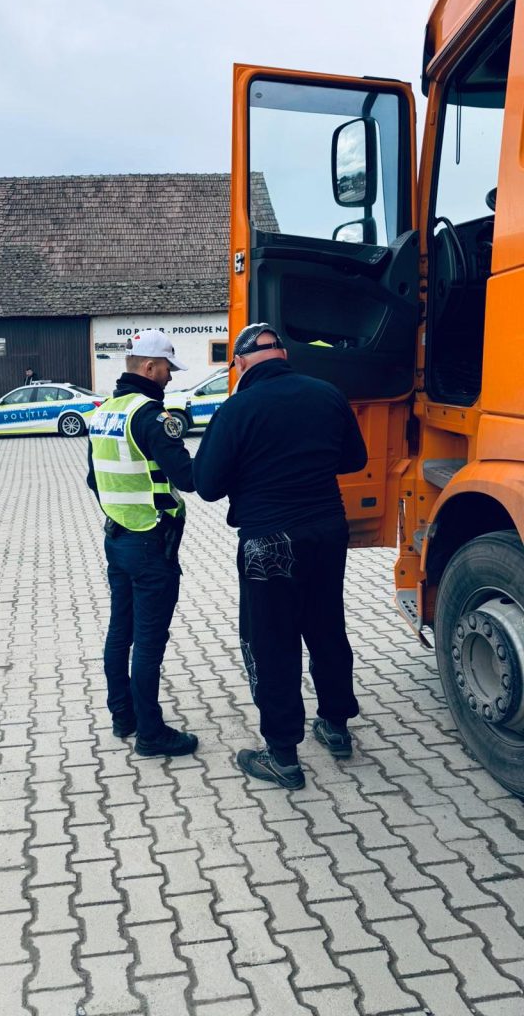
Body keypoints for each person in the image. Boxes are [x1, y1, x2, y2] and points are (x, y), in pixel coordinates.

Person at [193, 322, 368, 789]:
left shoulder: (237, 409)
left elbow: (207, 485)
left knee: (272, 642)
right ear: (283, 355)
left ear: (241, 362)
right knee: (327, 627)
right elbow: (355, 460)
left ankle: (283, 756)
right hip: (327, 530)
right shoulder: (328, 394)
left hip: (269, 540)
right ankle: (336, 726)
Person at [87, 329, 198, 757]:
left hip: (117, 539)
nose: (171, 376)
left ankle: (124, 716)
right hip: (152, 543)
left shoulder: (105, 413)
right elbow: (187, 477)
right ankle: (151, 734)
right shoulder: (151, 416)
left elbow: (94, 480)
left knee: (120, 632)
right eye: (168, 368)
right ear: (150, 367)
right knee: (149, 642)